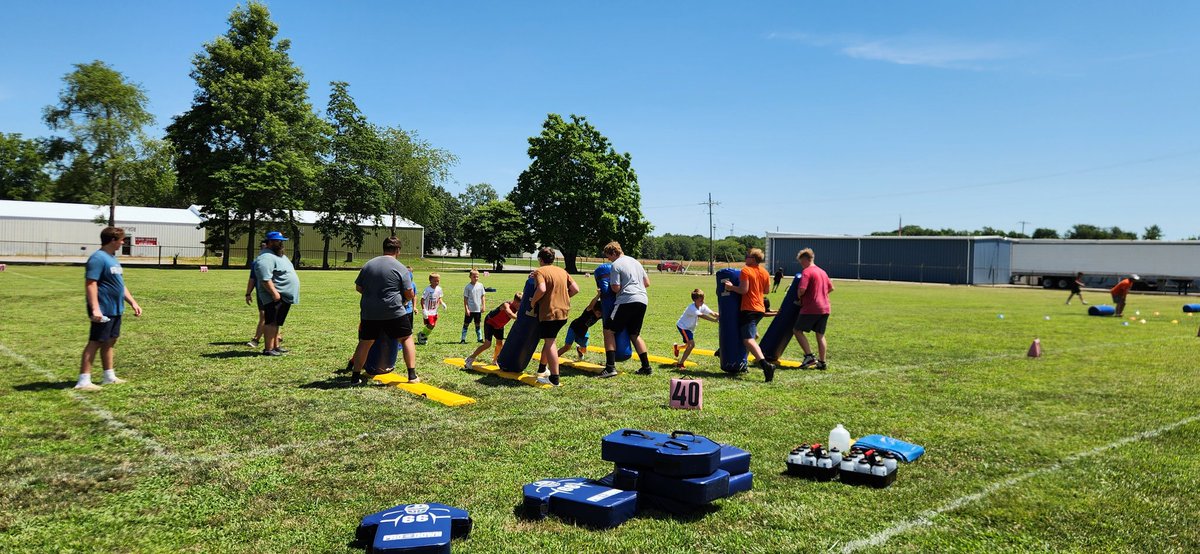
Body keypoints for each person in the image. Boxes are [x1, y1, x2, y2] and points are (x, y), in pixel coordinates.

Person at [76, 226, 143, 391]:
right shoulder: (98, 258)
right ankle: (83, 381)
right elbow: (90, 284)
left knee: (110, 341)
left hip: (115, 308)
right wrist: (95, 309)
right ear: (113, 240)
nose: (123, 242)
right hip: (103, 308)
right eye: (121, 239)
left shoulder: (112, 258)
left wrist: (132, 302)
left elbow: (120, 284)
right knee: (95, 341)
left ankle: (109, 376)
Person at [350, 236, 418, 386]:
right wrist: (403, 301)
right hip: (393, 311)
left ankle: (355, 377)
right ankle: (412, 375)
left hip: (369, 312)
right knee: (406, 338)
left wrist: (374, 297)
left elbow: (359, 287)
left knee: (365, 342)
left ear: (384, 248)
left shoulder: (369, 265)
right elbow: (409, 293)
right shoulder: (401, 267)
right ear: (398, 250)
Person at [528, 247, 580, 386]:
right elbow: (576, 289)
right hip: (564, 311)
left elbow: (542, 289)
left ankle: (554, 378)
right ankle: (542, 369)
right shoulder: (562, 271)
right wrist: (563, 298)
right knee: (549, 339)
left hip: (549, 311)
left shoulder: (540, 271)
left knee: (550, 342)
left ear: (540, 259)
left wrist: (533, 302)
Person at [600, 241, 653, 377]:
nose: (608, 260)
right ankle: (646, 367)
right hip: (642, 300)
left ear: (613, 253)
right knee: (634, 334)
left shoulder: (616, 265)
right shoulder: (636, 262)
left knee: (608, 331)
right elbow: (647, 283)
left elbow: (615, 287)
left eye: (608, 256)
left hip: (626, 300)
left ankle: (610, 368)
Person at [723, 247, 776, 382]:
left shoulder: (746, 270)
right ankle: (744, 362)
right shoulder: (764, 272)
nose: (745, 257)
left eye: (747, 256)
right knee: (749, 336)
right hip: (760, 308)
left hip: (749, 308)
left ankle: (766, 366)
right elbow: (766, 290)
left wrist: (730, 287)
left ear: (753, 258)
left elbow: (743, 290)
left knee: (748, 339)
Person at [254, 231, 299, 357]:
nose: (280, 243)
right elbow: (265, 278)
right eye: (277, 241)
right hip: (275, 296)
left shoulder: (278, 255)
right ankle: (268, 349)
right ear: (269, 242)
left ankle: (276, 346)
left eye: (281, 241)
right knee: (271, 321)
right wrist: (274, 294)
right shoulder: (266, 257)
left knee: (277, 322)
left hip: (283, 296)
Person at [792, 248, 834, 370]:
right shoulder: (822, 272)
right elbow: (831, 288)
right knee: (820, 335)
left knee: (797, 330)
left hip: (812, 307)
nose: (801, 264)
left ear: (805, 259)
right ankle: (822, 362)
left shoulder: (807, 272)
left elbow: (802, 290)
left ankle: (809, 356)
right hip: (825, 307)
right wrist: (820, 294)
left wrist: (800, 299)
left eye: (801, 261)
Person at [464, 292, 522, 370]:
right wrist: (520, 318)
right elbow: (510, 314)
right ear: (515, 301)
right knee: (487, 344)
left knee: (499, 344)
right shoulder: (506, 305)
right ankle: (470, 359)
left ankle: (495, 361)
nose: (520, 305)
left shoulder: (518, 307)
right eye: (519, 303)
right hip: (490, 322)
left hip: (499, 326)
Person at [674, 288, 719, 368]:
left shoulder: (702, 306)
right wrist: (714, 320)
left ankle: (677, 347)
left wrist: (717, 315)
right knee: (691, 345)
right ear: (695, 300)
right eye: (701, 300)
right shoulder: (692, 308)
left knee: (688, 344)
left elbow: (711, 312)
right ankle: (680, 363)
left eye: (703, 300)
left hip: (689, 328)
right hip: (683, 327)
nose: (703, 302)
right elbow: (701, 315)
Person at [558, 293, 602, 362]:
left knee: (584, 350)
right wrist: (598, 295)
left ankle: (579, 349)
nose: (599, 316)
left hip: (583, 331)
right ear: (594, 309)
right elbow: (592, 304)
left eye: (601, 314)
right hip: (574, 327)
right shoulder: (589, 310)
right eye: (598, 313)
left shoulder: (600, 315)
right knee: (567, 347)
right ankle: (553, 358)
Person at [245, 240, 270, 348]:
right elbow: (252, 279)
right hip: (262, 293)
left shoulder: (277, 260)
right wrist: (248, 293)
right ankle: (257, 339)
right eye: (262, 248)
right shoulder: (257, 262)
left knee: (271, 316)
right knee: (264, 315)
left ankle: (257, 339)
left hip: (275, 293)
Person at [416, 273, 447, 345]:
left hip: (435, 311)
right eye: (435, 281)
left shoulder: (439, 289)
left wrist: (442, 303)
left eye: (438, 281)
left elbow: (439, 297)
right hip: (428, 311)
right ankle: (422, 334)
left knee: (432, 326)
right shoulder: (427, 289)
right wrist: (424, 310)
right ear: (430, 281)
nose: (437, 282)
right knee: (431, 324)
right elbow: (422, 300)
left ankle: (423, 336)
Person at [461, 269, 486, 344]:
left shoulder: (480, 285)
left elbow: (483, 296)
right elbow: (465, 299)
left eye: (477, 277)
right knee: (466, 324)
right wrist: (466, 309)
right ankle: (463, 339)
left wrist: (483, 306)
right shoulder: (468, 287)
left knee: (477, 324)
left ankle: (480, 338)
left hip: (477, 310)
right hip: (470, 310)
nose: (476, 278)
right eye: (474, 277)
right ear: (470, 277)